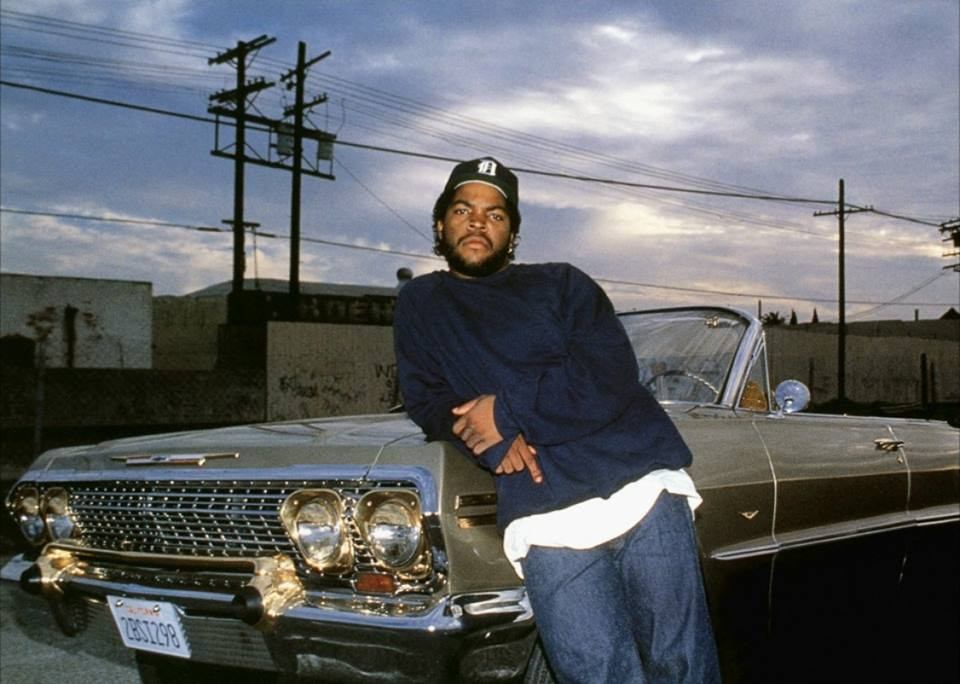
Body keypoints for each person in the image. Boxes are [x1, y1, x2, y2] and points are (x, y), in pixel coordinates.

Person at [393, 157, 720, 683]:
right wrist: (489, 442)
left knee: (680, 665)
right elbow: (427, 399)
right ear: (440, 223)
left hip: (640, 486)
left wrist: (506, 412)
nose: (478, 223)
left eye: (495, 215)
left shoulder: (562, 283)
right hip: (543, 510)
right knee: (596, 673)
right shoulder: (421, 302)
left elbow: (609, 373)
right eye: (463, 210)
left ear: (512, 234)